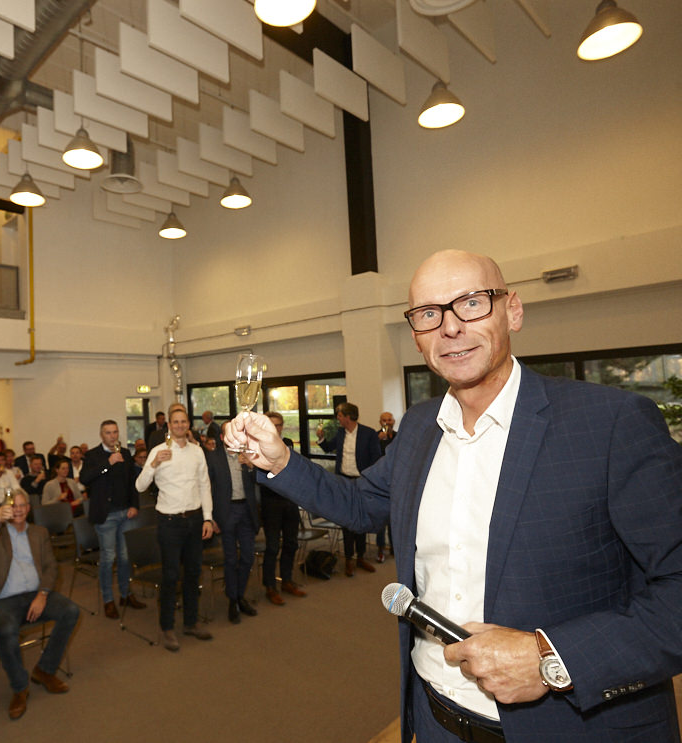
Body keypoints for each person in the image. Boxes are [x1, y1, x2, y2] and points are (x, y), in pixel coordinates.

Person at [224, 249, 682, 743]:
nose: (450, 327)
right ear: (416, 336)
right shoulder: (420, 427)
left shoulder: (610, 424)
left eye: (472, 303)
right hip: (433, 719)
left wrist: (552, 659)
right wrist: (279, 460)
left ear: (512, 310)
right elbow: (360, 505)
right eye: (428, 314)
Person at [0, 491, 79, 721]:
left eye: (22, 505)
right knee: (6, 629)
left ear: (29, 508)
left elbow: (51, 567)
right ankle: (20, 687)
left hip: (35, 594)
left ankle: (44, 670)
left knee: (71, 611)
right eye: (14, 506)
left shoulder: (39, 533)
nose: (18, 509)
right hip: (3, 600)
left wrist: (42, 594)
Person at [135, 407, 214, 651]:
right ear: (169, 426)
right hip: (169, 522)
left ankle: (191, 622)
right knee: (170, 576)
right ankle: (167, 627)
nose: (180, 425)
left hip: (194, 520)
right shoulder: (158, 451)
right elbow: (140, 486)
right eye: (175, 422)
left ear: (188, 424)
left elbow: (205, 485)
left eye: (183, 421)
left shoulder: (197, 451)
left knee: (193, 573)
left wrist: (208, 518)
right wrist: (153, 464)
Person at [79, 420, 144, 619]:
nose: (113, 436)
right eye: (108, 433)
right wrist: (108, 463)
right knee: (108, 558)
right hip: (106, 515)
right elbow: (85, 479)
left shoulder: (125, 453)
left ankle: (125, 594)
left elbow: (132, 482)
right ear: (102, 435)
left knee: (125, 557)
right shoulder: (92, 455)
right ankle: (108, 599)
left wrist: (134, 505)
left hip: (125, 512)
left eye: (115, 432)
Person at [316, 401, 382, 576]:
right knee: (346, 521)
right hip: (343, 482)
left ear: (348, 417)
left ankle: (360, 557)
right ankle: (348, 559)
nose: (337, 418)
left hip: (361, 482)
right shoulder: (340, 433)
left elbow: (376, 458)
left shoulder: (368, 433)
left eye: (339, 415)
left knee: (360, 520)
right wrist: (321, 438)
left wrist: (370, 482)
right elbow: (328, 448)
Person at [205, 442, 258, 624]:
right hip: (226, 512)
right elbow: (206, 487)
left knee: (248, 557)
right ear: (222, 437)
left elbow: (260, 480)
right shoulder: (213, 457)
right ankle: (233, 600)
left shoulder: (247, 453)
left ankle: (239, 594)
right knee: (230, 559)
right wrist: (210, 517)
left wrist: (251, 467)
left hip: (246, 510)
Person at [259, 412, 306, 606]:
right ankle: (270, 586)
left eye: (278, 425)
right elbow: (265, 474)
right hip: (271, 502)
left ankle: (287, 580)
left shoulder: (287, 443)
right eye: (272, 425)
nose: (276, 428)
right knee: (272, 547)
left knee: (291, 543)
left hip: (289, 500)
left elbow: (292, 469)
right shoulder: (259, 446)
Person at [376, 411, 397, 562]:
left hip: (396, 482)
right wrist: (379, 441)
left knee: (394, 518)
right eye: (384, 420)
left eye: (389, 420)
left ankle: (394, 548)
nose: (387, 422)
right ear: (380, 422)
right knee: (380, 518)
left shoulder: (399, 436)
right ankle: (380, 548)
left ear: (393, 421)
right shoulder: (375, 437)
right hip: (380, 481)